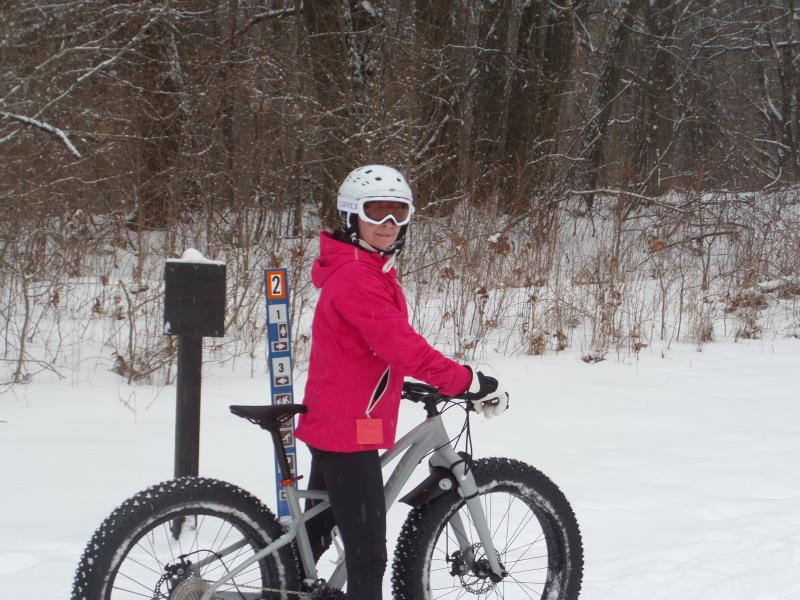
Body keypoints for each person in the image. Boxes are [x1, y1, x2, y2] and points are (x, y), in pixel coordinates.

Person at [294, 165, 508, 600]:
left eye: (399, 213)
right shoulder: (357, 276)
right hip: (346, 431)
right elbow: (400, 345)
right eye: (376, 212)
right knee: (368, 559)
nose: (389, 224)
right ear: (351, 216)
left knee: (316, 535)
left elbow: (366, 349)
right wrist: (465, 380)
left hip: (339, 419)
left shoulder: (366, 268)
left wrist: (398, 381)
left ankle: (282, 587)